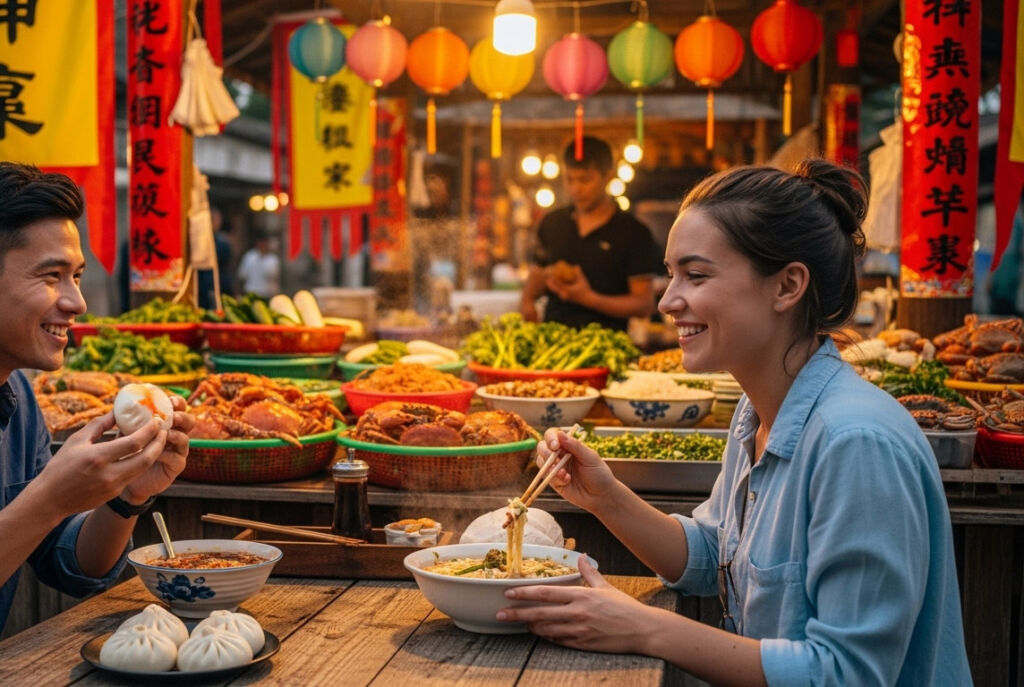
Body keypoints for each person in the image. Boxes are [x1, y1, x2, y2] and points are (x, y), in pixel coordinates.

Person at [500, 160, 972, 686]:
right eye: (672, 273)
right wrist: (604, 497)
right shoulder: (757, 413)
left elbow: (847, 674)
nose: (667, 300)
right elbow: (714, 558)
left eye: (696, 275)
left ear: (787, 285)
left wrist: (647, 629)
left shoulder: (855, 443)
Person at [0, 162, 195, 632]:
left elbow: (69, 564)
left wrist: (125, 495)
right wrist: (48, 498)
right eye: (52, 276)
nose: (77, 303)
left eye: (78, 276)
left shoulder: (19, 398)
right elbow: (39, 515)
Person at [519, 136, 662, 331]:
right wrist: (527, 300)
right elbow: (537, 274)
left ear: (608, 177)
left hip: (606, 347)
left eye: (585, 180)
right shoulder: (552, 223)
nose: (575, 188)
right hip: (552, 343)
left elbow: (644, 305)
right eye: (569, 179)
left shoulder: (634, 232)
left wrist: (588, 298)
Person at [197, 207, 235, 308]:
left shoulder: (222, 242)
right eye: (216, 220)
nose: (218, 223)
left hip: (220, 283)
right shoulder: (201, 242)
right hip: (205, 284)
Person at [236, 232, 281, 299]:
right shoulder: (249, 256)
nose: (263, 245)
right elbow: (242, 275)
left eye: (265, 243)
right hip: (251, 294)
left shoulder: (273, 259)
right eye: (262, 243)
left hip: (268, 295)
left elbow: (274, 276)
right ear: (257, 243)